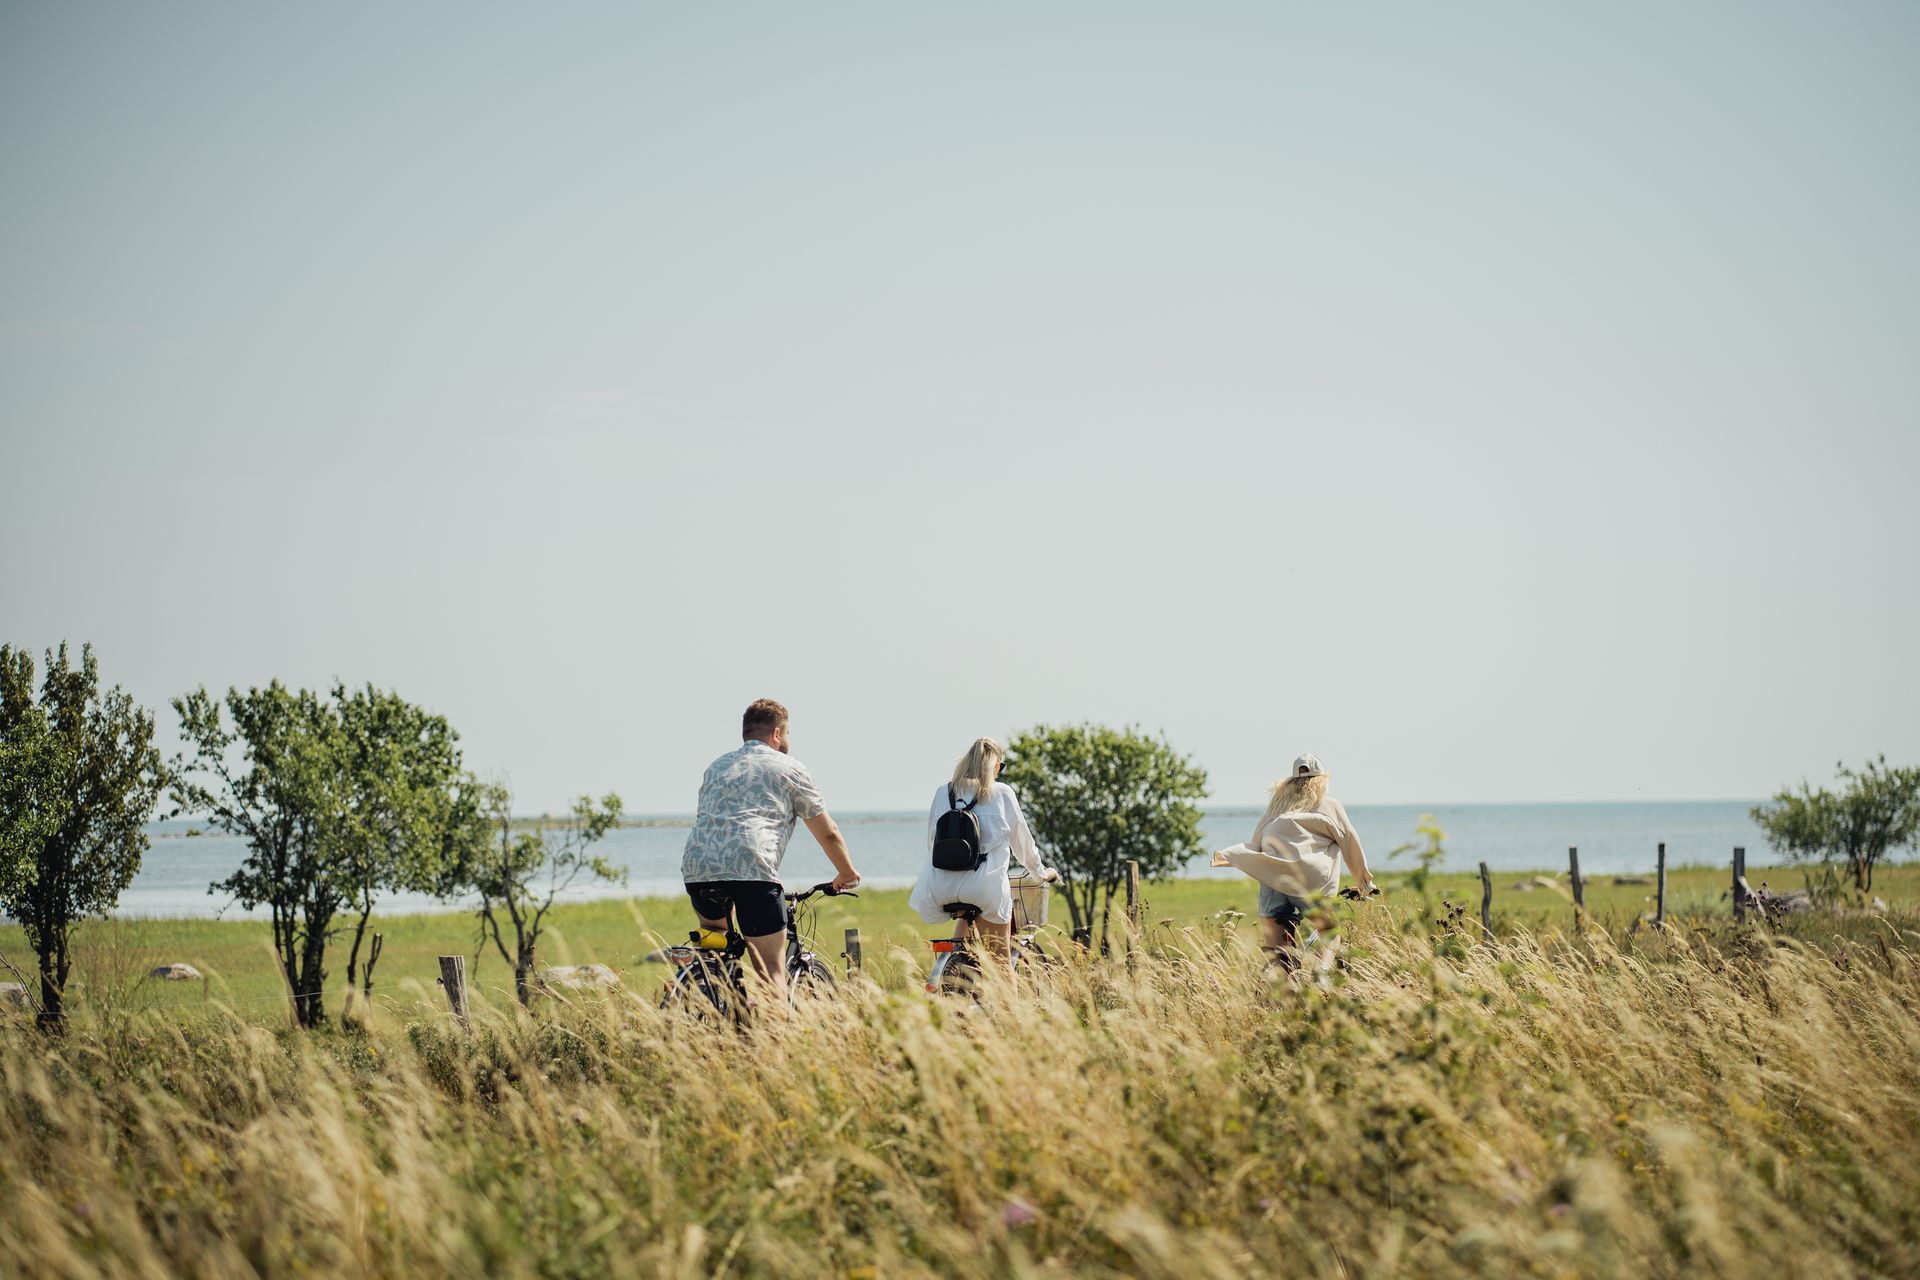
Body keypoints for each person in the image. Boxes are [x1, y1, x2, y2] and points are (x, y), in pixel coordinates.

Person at [681, 698, 861, 1001]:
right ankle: (775, 1046)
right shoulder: (791, 769)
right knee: (771, 975)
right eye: (787, 735)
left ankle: (712, 993)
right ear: (777, 733)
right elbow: (828, 833)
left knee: (717, 940)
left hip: (699, 869)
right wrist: (846, 872)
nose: (787, 742)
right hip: (754, 870)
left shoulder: (717, 766)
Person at [908, 737, 1057, 969]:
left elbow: (932, 842)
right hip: (985, 887)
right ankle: (1008, 1005)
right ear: (996, 766)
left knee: (964, 937)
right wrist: (1040, 873)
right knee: (1001, 963)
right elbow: (1023, 843)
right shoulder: (1002, 793)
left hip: (940, 885)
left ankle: (951, 971)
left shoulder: (942, 792)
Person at [1213, 753, 1376, 956]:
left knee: (1277, 953)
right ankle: (1321, 977)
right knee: (1329, 931)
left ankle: (1280, 977)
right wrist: (1365, 883)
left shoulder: (1278, 806)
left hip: (1273, 882)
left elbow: (1257, 841)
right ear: (1322, 780)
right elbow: (1349, 841)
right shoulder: (1329, 805)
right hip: (1310, 882)